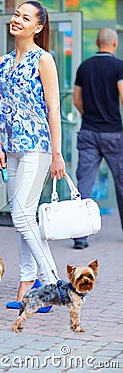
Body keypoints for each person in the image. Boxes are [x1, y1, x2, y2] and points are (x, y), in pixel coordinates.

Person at [0, 0, 66, 310]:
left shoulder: (43, 59)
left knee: (22, 214)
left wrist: (58, 153)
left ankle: (51, 284)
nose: (16, 20)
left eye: (25, 18)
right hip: (10, 148)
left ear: (37, 27)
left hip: (37, 145)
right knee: (20, 217)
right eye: (15, 15)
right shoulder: (1, 62)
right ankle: (27, 282)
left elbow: (54, 107)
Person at [73, 28, 123, 249]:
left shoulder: (84, 66)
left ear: (96, 42)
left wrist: (91, 117)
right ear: (115, 43)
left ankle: (80, 237)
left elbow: (76, 100)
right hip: (114, 133)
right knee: (121, 184)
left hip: (88, 133)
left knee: (84, 184)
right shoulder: (119, 66)